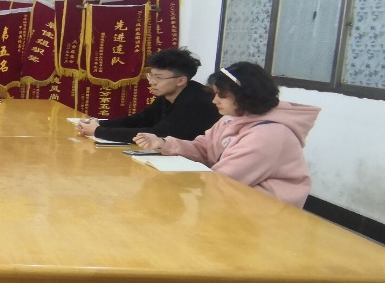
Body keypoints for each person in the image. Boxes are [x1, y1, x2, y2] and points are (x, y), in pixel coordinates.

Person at [135, 62, 320, 208]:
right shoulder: (231, 118)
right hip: (235, 202)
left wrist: (174, 182)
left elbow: (224, 180)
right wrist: (163, 143)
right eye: (214, 94)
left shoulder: (270, 134)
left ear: (245, 96)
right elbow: (203, 148)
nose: (214, 100)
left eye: (221, 96)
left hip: (266, 214)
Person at [76, 47, 220, 142]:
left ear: (181, 80)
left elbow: (158, 133)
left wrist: (99, 131)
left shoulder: (195, 101)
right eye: (151, 75)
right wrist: (98, 124)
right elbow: (141, 119)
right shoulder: (168, 94)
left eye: (159, 77)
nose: (152, 82)